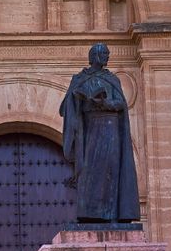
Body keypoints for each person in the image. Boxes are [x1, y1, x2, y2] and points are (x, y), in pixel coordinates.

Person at [60, 42, 140, 224]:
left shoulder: (112, 79)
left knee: (111, 170)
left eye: (107, 53)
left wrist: (105, 103)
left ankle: (112, 214)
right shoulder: (79, 79)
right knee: (89, 172)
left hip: (110, 129)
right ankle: (90, 213)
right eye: (104, 53)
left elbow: (121, 104)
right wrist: (79, 98)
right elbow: (66, 107)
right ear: (94, 55)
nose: (107, 56)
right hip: (89, 130)